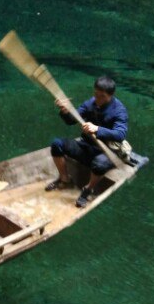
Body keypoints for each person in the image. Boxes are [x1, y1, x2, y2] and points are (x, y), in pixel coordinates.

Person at [46, 75, 129, 209]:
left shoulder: (119, 111)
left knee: (99, 164)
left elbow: (120, 134)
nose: (97, 98)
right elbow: (72, 120)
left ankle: (88, 189)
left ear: (111, 95)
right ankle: (65, 179)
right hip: (86, 146)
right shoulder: (91, 102)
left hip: (105, 151)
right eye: (95, 94)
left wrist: (97, 129)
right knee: (57, 144)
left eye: (102, 96)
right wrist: (66, 111)